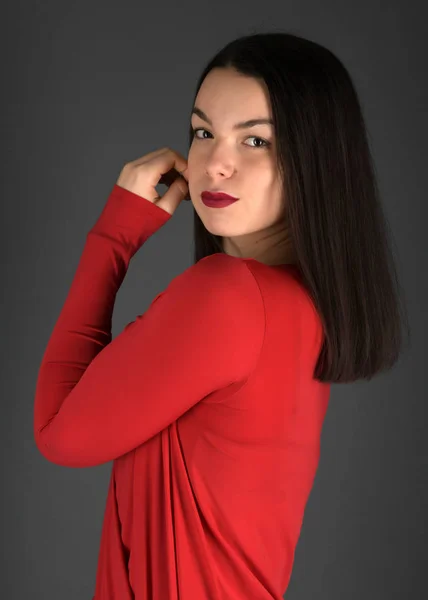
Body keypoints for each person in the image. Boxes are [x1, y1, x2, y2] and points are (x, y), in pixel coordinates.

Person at [33, 31, 410, 599]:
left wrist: (113, 236)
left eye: (255, 141)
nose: (216, 164)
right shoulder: (303, 305)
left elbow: (60, 434)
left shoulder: (227, 297)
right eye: (204, 132)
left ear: (316, 159)